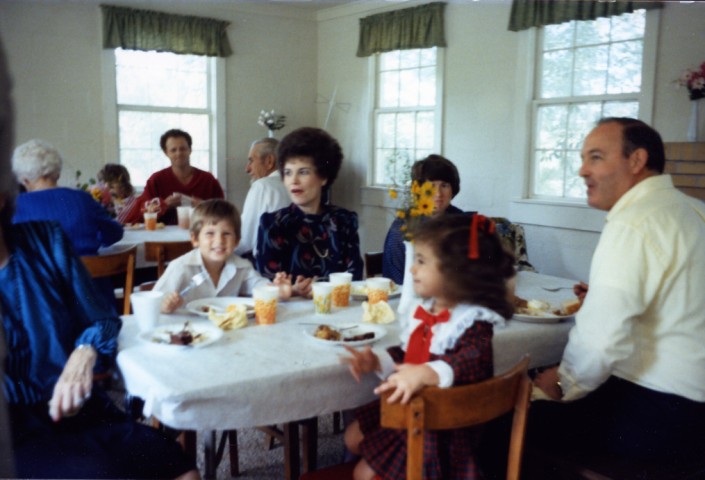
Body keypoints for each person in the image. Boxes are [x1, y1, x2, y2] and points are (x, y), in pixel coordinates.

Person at [0, 91, 199, 480]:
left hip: (78, 404)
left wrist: (84, 350)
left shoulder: (46, 240)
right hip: (13, 429)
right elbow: (113, 231)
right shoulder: (80, 199)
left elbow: (104, 317)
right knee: (99, 470)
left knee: (177, 463)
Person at [530, 118, 705, 469]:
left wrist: (563, 382)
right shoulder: (694, 210)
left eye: (595, 157)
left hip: (662, 413)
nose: (582, 170)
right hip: (693, 411)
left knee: (506, 421)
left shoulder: (633, 221)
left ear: (636, 160)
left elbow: (600, 341)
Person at [341, 214, 516, 480]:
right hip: (414, 409)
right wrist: (378, 361)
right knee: (352, 437)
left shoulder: (474, 321)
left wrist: (427, 373)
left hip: (441, 433)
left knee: (362, 473)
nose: (412, 270)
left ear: (455, 271)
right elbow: (410, 353)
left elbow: (472, 360)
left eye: (421, 261)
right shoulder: (428, 310)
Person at [155, 199, 312, 313]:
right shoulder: (181, 267)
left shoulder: (242, 267)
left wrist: (283, 291)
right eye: (210, 233)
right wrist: (164, 305)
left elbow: (262, 289)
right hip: (188, 333)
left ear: (236, 241)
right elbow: (153, 302)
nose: (219, 241)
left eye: (226, 234)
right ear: (195, 239)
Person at [256, 127, 364, 281]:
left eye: (303, 172)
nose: (294, 181)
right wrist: (293, 290)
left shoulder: (344, 221)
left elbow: (354, 277)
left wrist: (316, 287)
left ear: (323, 177)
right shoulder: (273, 224)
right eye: (288, 172)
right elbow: (267, 283)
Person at [11, 139, 123, 256]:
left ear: (24, 180)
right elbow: (115, 234)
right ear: (58, 174)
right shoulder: (83, 199)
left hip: (37, 268)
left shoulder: (14, 207)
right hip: (87, 268)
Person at [382, 155, 465, 285]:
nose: (438, 193)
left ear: (453, 189)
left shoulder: (462, 221)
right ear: (418, 189)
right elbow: (395, 280)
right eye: (430, 186)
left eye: (444, 185)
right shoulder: (403, 227)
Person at [126, 129, 224, 225]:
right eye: (173, 150)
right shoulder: (156, 180)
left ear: (190, 150)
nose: (179, 153)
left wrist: (204, 206)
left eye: (183, 149)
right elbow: (134, 219)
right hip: (163, 234)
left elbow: (225, 214)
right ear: (166, 153)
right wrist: (164, 204)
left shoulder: (208, 179)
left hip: (202, 232)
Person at [234, 138, 289, 259]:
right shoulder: (294, 185)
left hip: (266, 264)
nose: (247, 169)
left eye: (251, 160)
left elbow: (245, 240)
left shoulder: (262, 186)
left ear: (269, 161)